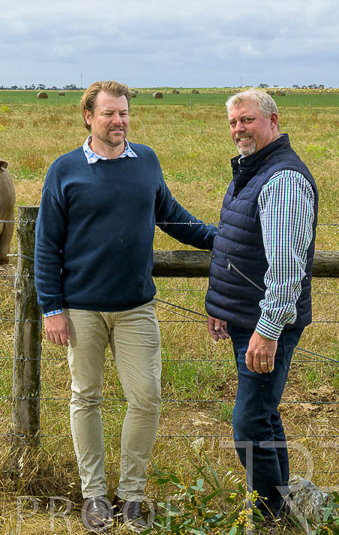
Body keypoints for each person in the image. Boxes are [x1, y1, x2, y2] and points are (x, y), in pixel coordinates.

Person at [34, 81, 216, 532]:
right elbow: (47, 244)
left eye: (124, 113)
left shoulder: (146, 161)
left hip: (136, 307)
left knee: (147, 398)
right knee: (86, 397)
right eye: (109, 113)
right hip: (81, 308)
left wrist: (224, 238)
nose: (119, 121)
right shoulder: (65, 170)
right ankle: (94, 494)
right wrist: (51, 308)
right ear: (88, 117)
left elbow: (172, 217)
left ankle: (131, 494)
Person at [205, 89, 318, 524]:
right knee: (263, 417)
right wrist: (223, 304)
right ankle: (284, 509)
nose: (239, 130)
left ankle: (270, 516)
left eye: (247, 120)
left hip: (267, 324)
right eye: (233, 122)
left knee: (249, 422)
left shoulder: (283, 179)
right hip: (247, 317)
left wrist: (268, 331)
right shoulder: (253, 169)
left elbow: (286, 271)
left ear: (273, 120)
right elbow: (238, 244)